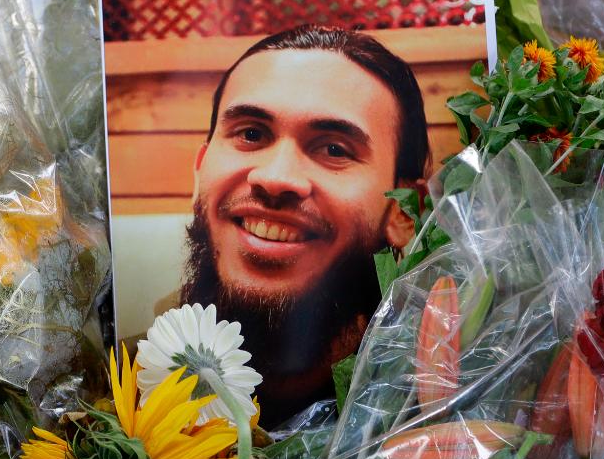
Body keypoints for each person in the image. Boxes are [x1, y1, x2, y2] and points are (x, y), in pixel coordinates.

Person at [180, 24, 431, 425]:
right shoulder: (107, 382)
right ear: (199, 173)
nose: (276, 177)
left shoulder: (439, 408)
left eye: (334, 149)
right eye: (251, 134)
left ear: (404, 212)